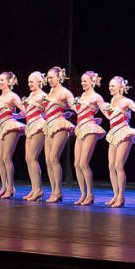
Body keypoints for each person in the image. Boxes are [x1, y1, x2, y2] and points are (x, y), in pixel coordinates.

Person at [103, 76, 135, 207]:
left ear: (121, 87)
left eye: (113, 86)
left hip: (124, 133)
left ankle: (121, 196)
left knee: (118, 165)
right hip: (114, 133)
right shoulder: (111, 101)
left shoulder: (126, 101)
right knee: (111, 166)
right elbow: (110, 117)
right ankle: (115, 195)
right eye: (109, 85)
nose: (110, 88)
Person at [73, 71, 107, 205]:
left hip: (90, 129)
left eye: (85, 81)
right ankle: (83, 194)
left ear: (93, 82)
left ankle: (90, 195)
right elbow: (80, 112)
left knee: (83, 163)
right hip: (80, 128)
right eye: (81, 81)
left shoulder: (97, 97)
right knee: (76, 164)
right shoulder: (82, 95)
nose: (82, 83)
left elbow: (107, 113)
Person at [43, 67, 76, 204]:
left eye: (52, 77)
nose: (49, 80)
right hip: (49, 124)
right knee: (48, 160)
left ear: (59, 77)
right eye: (48, 78)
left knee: (53, 158)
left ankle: (58, 191)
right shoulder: (50, 91)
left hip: (60, 125)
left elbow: (75, 107)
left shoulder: (65, 92)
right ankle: (53, 191)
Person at [0, 71, 25, 198]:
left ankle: (11, 188)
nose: (0, 82)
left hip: (10, 126)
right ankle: (4, 186)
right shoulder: (0, 97)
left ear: (9, 82)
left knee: (6, 157)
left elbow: (26, 111)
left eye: (2, 80)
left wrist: (17, 116)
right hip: (1, 127)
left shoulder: (13, 96)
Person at [22, 71, 48, 201]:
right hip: (30, 126)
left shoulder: (43, 95)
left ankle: (38, 190)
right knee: (28, 158)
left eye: (32, 81)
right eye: (28, 82)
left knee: (32, 157)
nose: (29, 84)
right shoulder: (31, 94)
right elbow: (27, 112)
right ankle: (34, 189)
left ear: (40, 82)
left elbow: (49, 110)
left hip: (38, 125)